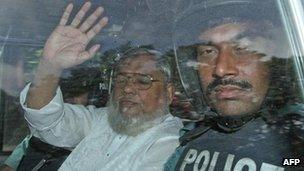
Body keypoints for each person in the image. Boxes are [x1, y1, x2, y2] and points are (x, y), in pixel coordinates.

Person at [19, 2, 182, 170]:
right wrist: (50, 65)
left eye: (142, 81)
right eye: (121, 79)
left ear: (168, 92)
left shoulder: (171, 143)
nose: (127, 88)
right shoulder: (102, 120)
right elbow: (45, 119)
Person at [165, 1, 304, 170]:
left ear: (275, 61)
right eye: (208, 52)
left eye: (243, 47)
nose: (221, 69)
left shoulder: (296, 136)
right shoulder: (193, 141)